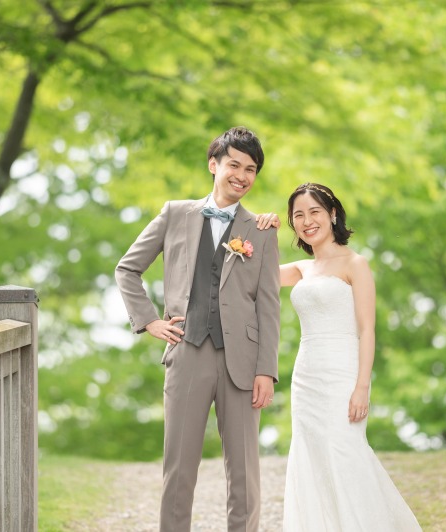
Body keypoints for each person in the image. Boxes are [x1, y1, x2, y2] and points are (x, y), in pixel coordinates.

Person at [115, 126, 281, 532]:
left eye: (251, 169)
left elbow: (269, 305)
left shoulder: (261, 230)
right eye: (234, 165)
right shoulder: (175, 213)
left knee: (244, 474)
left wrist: (266, 369)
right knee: (179, 468)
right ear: (214, 164)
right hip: (187, 353)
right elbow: (127, 269)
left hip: (242, 363)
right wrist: (149, 321)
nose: (242, 176)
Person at [269, 182, 421, 531]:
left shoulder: (356, 263)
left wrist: (362, 386)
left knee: (346, 453)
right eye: (298, 216)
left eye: (315, 212)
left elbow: (367, 330)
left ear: (332, 214)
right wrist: (262, 229)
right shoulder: (302, 270)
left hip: (343, 374)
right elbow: (251, 274)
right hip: (306, 378)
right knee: (312, 459)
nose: (307, 221)